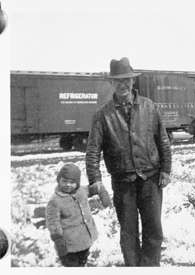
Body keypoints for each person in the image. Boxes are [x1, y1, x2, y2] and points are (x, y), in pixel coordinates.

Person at [85, 57, 172, 266]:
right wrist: (95, 180)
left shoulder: (150, 107)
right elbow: (92, 151)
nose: (123, 85)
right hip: (123, 183)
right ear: (111, 83)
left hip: (150, 180)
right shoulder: (102, 115)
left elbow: (163, 140)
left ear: (133, 82)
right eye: (118, 81)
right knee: (128, 233)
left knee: (153, 230)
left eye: (127, 80)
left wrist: (166, 170)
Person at [46, 163, 108, 267]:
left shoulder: (81, 191)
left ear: (77, 183)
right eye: (64, 181)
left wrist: (102, 193)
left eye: (72, 182)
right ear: (59, 180)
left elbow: (94, 188)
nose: (68, 185)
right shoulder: (55, 201)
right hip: (68, 246)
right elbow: (53, 223)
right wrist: (59, 241)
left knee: (82, 263)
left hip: (84, 241)